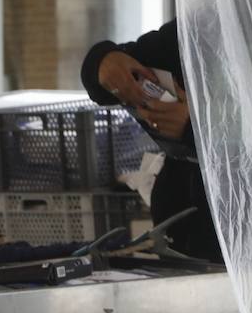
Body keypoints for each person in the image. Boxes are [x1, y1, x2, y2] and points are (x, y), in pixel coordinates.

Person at [81, 18, 221, 261]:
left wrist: (196, 129)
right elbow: (112, 71)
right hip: (186, 230)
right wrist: (104, 61)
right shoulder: (205, 29)